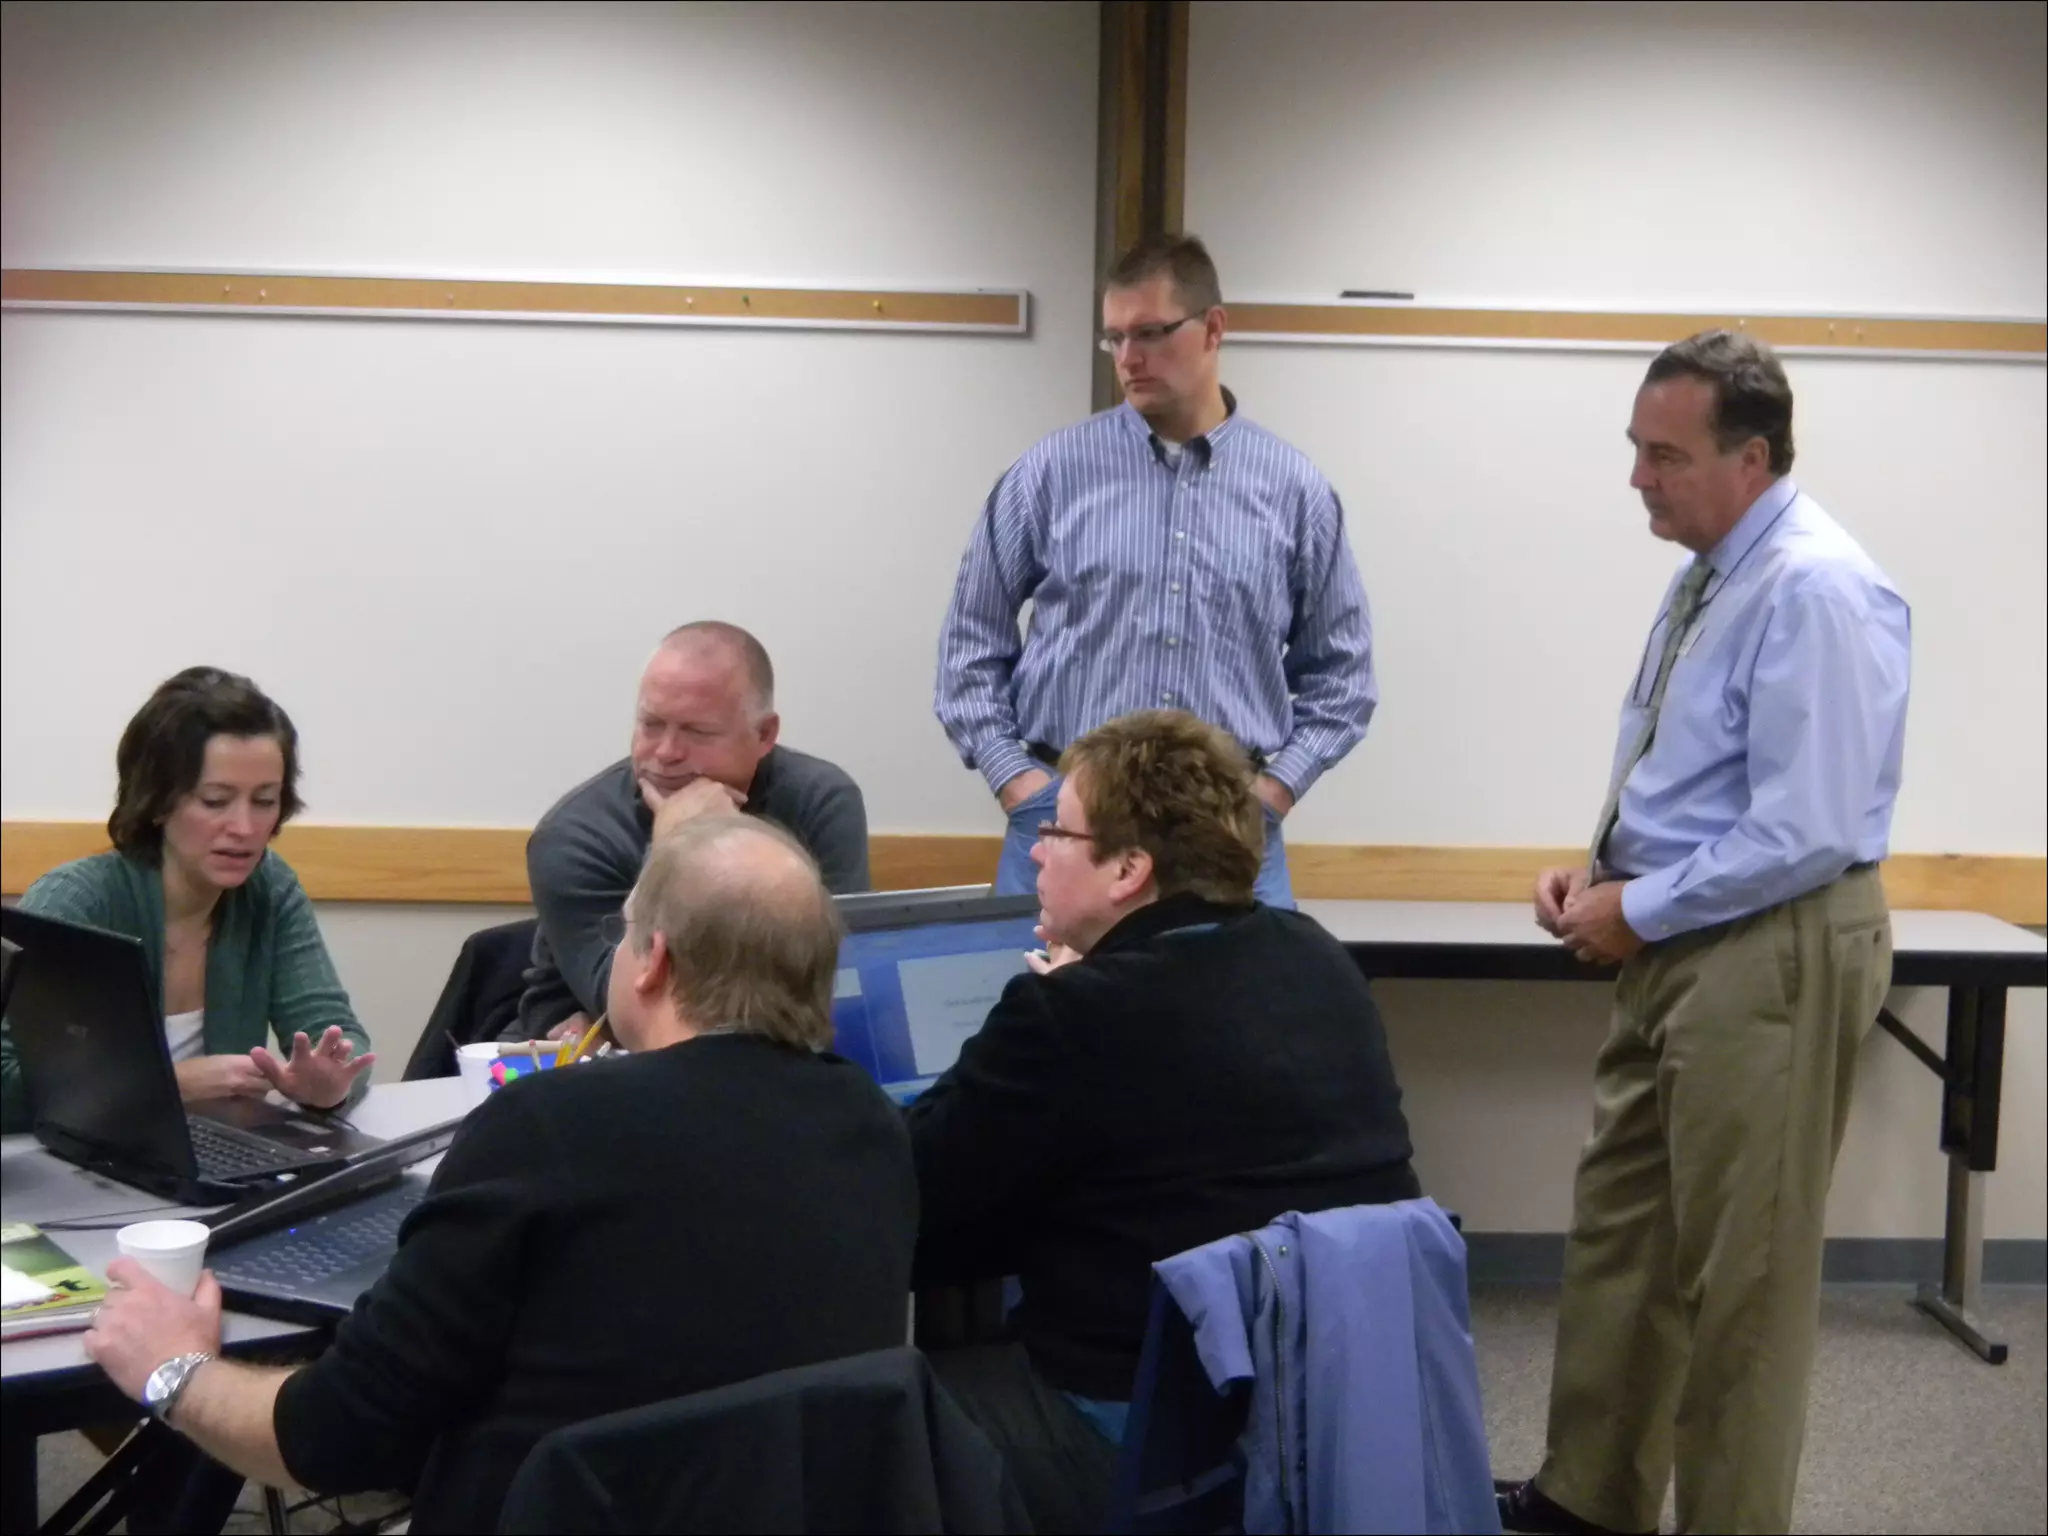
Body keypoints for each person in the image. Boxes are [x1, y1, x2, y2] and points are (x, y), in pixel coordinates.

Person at [82, 816, 920, 1535]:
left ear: (653, 962)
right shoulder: (876, 1132)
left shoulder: (550, 1126)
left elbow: (336, 1438)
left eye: (624, 932)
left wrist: (174, 1368)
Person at [1498, 332, 1911, 1536]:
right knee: (1622, 1239)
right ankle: (1590, 1498)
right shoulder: (1711, 573)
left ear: (1751, 459)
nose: (1636, 477)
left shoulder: (1814, 588)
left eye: (1663, 456)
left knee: (1744, 1287)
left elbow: (1806, 825)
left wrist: (1639, 904)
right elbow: (1701, 776)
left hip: (1767, 947)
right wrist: (1604, 873)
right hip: (1679, 937)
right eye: (1634, 449)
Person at [907, 709, 1419, 1533]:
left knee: (857, 1419)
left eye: (1057, 832)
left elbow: (918, 1196)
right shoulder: (1315, 957)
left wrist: (1061, 999)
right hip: (1317, 1417)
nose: (1036, 852)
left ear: (1128, 869)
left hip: (1142, 1427)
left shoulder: (1076, 1014)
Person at [934, 233, 1376, 910]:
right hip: (1068, 821)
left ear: (1214, 328)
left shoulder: (1294, 491)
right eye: (1113, 338)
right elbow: (969, 645)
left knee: (1250, 985)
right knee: (1048, 985)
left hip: (1227, 830)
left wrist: (1273, 794)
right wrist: (1018, 783)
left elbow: (1343, 677)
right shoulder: (1049, 474)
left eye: (1149, 333)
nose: (1127, 358)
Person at [2, 666, 375, 1136]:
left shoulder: (270, 888)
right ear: (157, 801)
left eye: (265, 800)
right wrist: (167, 1085)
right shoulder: (74, 902)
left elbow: (338, 1036)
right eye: (215, 801)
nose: (245, 828)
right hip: (78, 1159)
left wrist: (328, 1085)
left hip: (213, 1153)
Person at [513, 620, 869, 1040]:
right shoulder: (575, 836)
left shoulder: (820, 801)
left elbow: (840, 978)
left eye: (697, 732)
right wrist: (675, 849)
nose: (666, 753)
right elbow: (636, 1010)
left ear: (764, 734)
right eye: (651, 724)